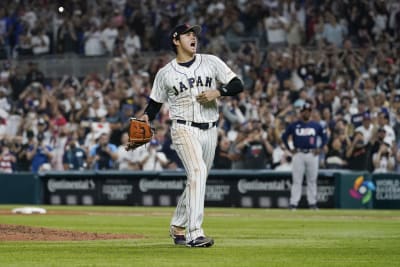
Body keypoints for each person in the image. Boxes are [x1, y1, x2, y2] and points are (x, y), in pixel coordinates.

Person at [138, 24, 243, 247]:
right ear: (176, 40)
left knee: (198, 178)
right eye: (188, 34)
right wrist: (147, 117)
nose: (193, 37)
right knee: (197, 171)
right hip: (183, 128)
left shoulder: (211, 61)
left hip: (211, 129)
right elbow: (155, 103)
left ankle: (177, 225)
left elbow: (237, 84)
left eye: (194, 34)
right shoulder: (166, 73)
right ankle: (194, 233)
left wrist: (218, 91)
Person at [281, 101, 327, 210]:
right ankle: (293, 203)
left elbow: (325, 137)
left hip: (312, 153)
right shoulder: (294, 125)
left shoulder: (316, 125)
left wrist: (320, 148)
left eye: (308, 111)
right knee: (297, 180)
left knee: (312, 179)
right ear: (301, 113)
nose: (306, 113)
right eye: (304, 111)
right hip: (298, 153)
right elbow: (284, 137)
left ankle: (312, 203)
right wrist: (290, 149)